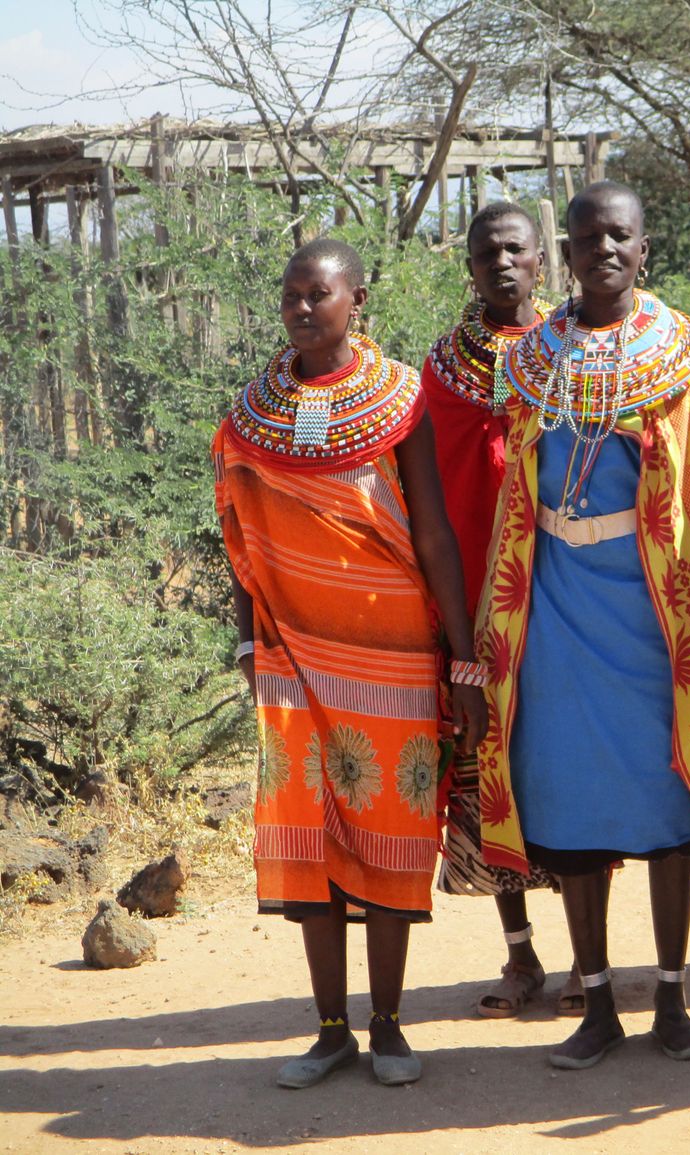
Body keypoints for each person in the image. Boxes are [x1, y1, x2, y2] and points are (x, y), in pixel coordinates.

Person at [474, 180, 690, 1070]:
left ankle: (670, 998)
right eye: (588, 238)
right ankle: (595, 1004)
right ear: (568, 254)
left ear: (644, 247)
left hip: (656, 606)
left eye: (620, 236)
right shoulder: (530, 359)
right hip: (553, 606)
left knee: (667, 804)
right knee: (572, 806)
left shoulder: (686, 351)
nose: (605, 251)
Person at [214, 237, 488, 1088]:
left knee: (391, 836)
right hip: (292, 653)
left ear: (356, 300)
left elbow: (435, 533)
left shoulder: (401, 399)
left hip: (392, 653)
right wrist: (248, 643)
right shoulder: (250, 413)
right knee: (309, 838)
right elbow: (238, 538)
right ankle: (330, 1028)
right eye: (291, 294)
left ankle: (389, 1025)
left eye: (320, 294)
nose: (303, 308)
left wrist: (465, 661)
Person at [421, 201, 584, 1020]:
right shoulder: (442, 370)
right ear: (471, 268)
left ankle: (591, 961)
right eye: (487, 253)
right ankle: (520, 953)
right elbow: (433, 497)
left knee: (567, 766)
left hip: (563, 595)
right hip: (475, 603)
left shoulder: (576, 354)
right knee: (487, 769)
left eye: (517, 250)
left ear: (543, 262)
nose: (503, 264)